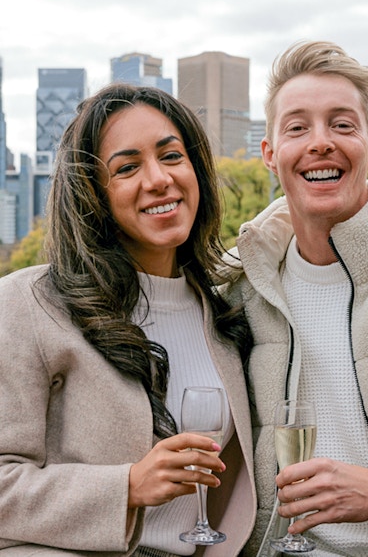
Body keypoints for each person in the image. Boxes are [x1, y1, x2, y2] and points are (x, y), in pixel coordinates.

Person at [223, 40, 368, 557]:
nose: (320, 143)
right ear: (269, 155)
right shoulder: (241, 290)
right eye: (297, 127)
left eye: (341, 124)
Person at [0, 83, 256, 557]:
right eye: (127, 168)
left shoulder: (226, 312)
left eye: (172, 156)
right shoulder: (28, 303)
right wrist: (127, 486)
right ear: (93, 195)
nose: (158, 179)